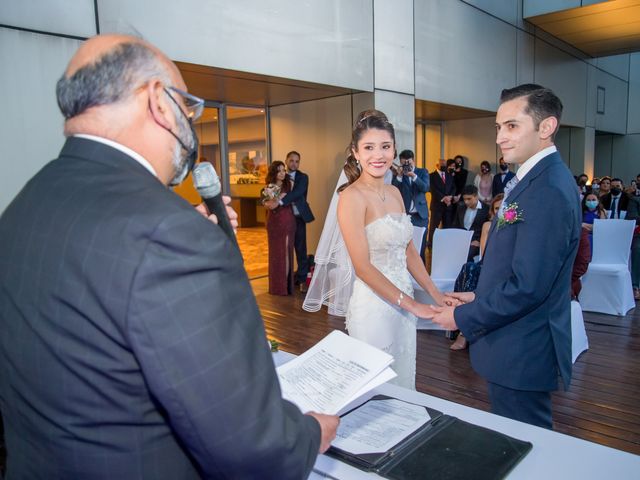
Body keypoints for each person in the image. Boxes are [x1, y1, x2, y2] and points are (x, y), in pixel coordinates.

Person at [0, 34, 337, 479]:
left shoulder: (25, 203)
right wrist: (310, 432)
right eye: (188, 106)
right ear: (159, 100)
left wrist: (185, 236)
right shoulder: (167, 233)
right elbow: (254, 451)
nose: (191, 123)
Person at [433, 84, 581, 429]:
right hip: (512, 343)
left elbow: (529, 286)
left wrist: (463, 318)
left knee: (526, 448)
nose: (500, 137)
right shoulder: (533, 180)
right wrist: (477, 294)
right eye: (498, 127)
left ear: (546, 128)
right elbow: (520, 263)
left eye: (512, 126)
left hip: (523, 348)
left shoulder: (548, 189)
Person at [337, 109, 442, 390]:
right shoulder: (351, 198)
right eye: (369, 147)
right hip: (374, 308)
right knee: (376, 391)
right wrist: (414, 305)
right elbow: (363, 267)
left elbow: (408, 253)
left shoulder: (396, 193)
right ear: (356, 153)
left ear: (394, 149)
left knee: (404, 381)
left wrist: (435, 294)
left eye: (385, 146)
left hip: (404, 307)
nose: (378, 155)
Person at [278, 151, 315, 293]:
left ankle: (302, 280)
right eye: (291, 160)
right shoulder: (280, 176)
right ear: (286, 161)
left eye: (297, 161)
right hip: (285, 217)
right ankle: (285, 281)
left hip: (299, 217)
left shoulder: (303, 177)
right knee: (285, 250)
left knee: (300, 249)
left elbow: (298, 192)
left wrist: (281, 201)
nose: (294, 163)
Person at [263, 161, 296, 296]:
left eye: (284, 170)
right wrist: (275, 200)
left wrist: (277, 200)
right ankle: (276, 287)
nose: (283, 173)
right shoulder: (268, 187)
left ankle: (285, 287)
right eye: (279, 171)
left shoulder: (290, 184)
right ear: (274, 173)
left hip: (287, 220)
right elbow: (269, 205)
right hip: (273, 223)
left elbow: (291, 199)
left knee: (286, 253)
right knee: (275, 254)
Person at [392, 149, 430, 262]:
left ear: (413, 160)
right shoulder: (400, 175)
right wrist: (399, 176)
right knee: (406, 247)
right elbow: (394, 190)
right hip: (406, 216)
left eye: (408, 163)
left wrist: (414, 176)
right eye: (404, 163)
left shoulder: (422, 172)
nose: (406, 165)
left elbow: (425, 188)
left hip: (420, 215)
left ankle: (421, 273)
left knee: (421, 247)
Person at [453, 185, 489, 261]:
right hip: (460, 240)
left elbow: (488, 230)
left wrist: (479, 241)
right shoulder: (460, 207)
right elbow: (455, 225)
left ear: (476, 196)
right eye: (464, 199)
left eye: (469, 199)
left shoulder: (486, 209)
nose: (466, 202)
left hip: (475, 243)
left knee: (466, 255)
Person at [428, 158, 456, 249]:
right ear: (437, 165)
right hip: (437, 205)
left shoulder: (449, 175)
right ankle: (431, 245)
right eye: (442, 165)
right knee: (433, 226)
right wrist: (443, 198)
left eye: (445, 165)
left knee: (447, 226)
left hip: (448, 206)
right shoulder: (431, 176)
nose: (444, 166)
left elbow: (453, 187)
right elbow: (432, 189)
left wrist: (450, 197)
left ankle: (446, 245)